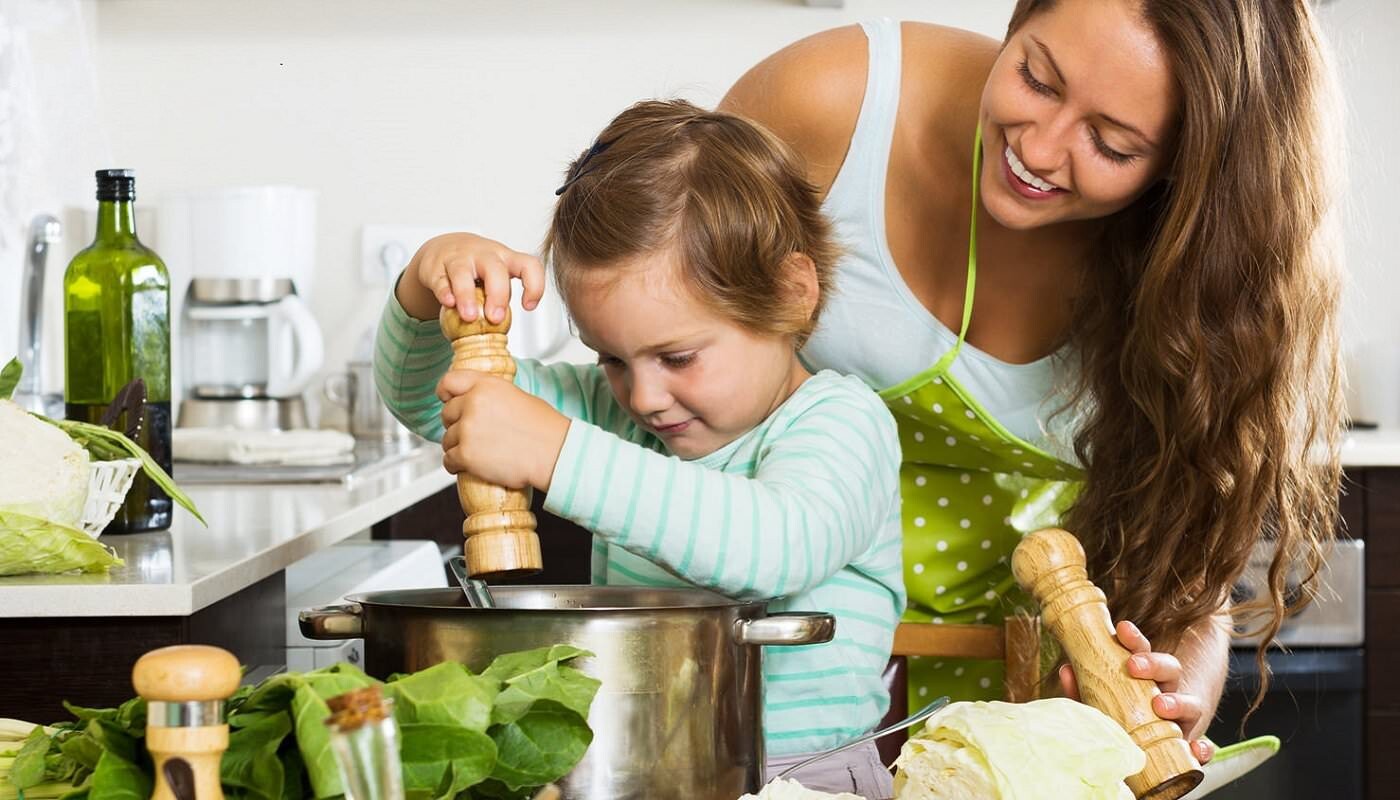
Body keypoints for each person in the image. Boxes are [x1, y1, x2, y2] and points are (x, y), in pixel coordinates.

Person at [718, 0, 1343, 763]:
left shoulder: (1208, 288)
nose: (1040, 151)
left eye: (1112, 144)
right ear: (1018, 21)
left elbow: (1192, 587)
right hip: (778, 689)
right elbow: (652, 310)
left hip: (1033, 723)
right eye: (1036, 78)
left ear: (1189, 170)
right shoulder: (829, 102)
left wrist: (1178, 689)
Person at [375, 99, 905, 796]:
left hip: (807, 782)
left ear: (791, 294)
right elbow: (438, 401)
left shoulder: (841, 422)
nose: (644, 396)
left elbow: (778, 547)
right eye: (612, 359)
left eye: (677, 356)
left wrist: (555, 453)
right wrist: (422, 290)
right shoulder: (612, 415)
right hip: (633, 772)